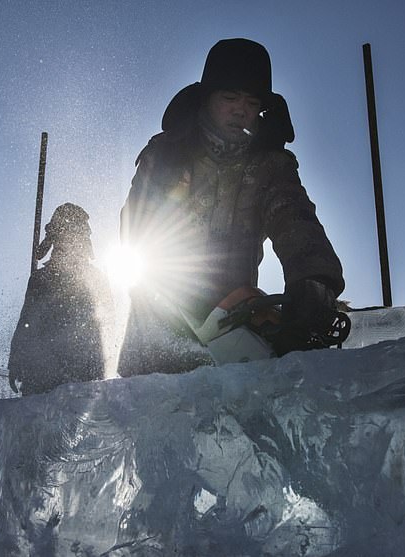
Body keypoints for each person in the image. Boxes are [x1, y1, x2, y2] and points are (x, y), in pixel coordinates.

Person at [117, 38, 344, 377]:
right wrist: (197, 298)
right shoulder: (165, 154)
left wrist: (313, 280)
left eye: (252, 102)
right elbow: (137, 230)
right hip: (158, 329)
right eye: (230, 98)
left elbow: (294, 217)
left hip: (234, 336)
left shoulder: (270, 165)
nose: (241, 110)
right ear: (207, 99)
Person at [8, 203, 112, 395]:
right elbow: (27, 322)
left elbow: (107, 329)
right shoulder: (41, 279)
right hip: (46, 378)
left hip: (80, 380)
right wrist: (16, 361)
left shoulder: (95, 280)